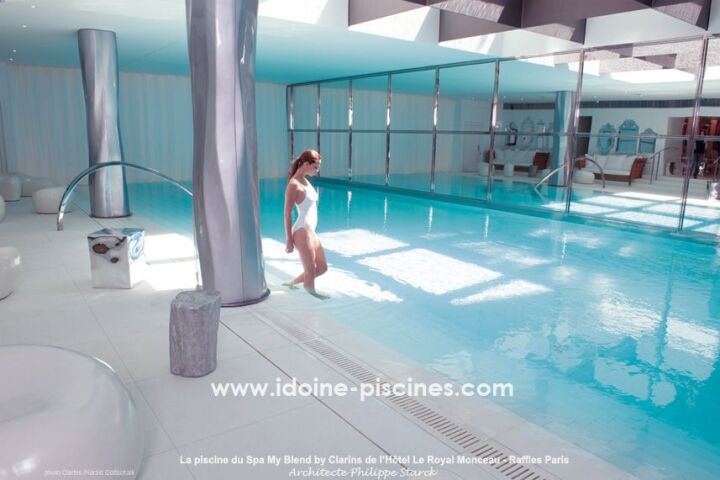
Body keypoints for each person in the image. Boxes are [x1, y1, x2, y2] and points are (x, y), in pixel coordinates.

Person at [283, 149, 329, 299]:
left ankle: (291, 284)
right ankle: (312, 296)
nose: (317, 170)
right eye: (316, 167)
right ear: (306, 164)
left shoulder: (304, 179)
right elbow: (287, 214)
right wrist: (289, 240)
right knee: (310, 270)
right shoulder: (294, 184)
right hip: (302, 231)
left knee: (322, 267)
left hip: (310, 230)